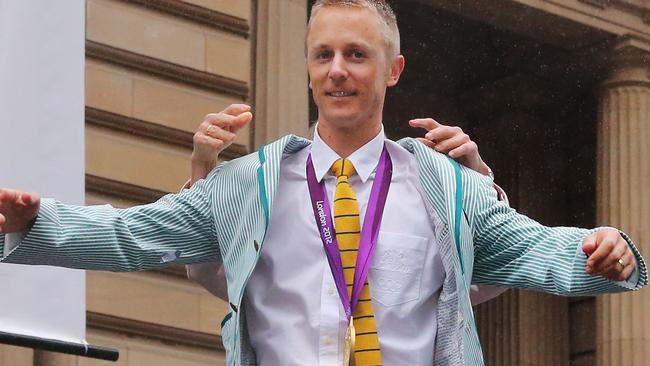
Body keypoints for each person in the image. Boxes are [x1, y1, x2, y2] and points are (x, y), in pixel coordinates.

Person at [0, 1, 646, 365]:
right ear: (308, 67)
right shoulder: (244, 185)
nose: (338, 71)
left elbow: (540, 249)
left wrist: (605, 250)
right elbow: (133, 236)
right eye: (323, 55)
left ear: (392, 70)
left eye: (356, 55)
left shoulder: (449, 187)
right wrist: (38, 224)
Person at [185, 105, 508, 305]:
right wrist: (203, 168)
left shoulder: (418, 222)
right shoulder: (276, 226)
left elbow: (496, 270)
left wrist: (475, 181)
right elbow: (207, 267)